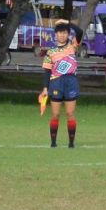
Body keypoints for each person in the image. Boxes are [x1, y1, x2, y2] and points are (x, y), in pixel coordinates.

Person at [38, 19, 81, 148]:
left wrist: (68, 23)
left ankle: (71, 143)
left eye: (65, 32)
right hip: (56, 82)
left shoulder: (73, 46)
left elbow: (79, 32)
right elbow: (47, 71)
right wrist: (45, 88)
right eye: (60, 32)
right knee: (55, 114)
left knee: (70, 114)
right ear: (55, 34)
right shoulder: (50, 52)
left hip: (71, 82)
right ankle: (53, 143)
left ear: (68, 34)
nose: (62, 35)